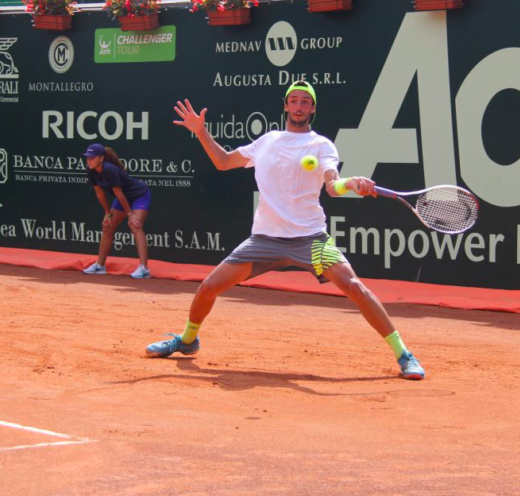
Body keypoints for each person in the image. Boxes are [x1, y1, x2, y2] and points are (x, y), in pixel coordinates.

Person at [145, 80, 425, 380]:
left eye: (305, 101)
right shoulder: (267, 141)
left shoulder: (320, 145)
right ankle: (188, 341)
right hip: (265, 239)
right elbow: (223, 161)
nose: (299, 106)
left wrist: (351, 183)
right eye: (294, 101)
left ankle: (404, 354)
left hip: (310, 239)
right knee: (208, 288)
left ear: (313, 108)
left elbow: (332, 186)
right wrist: (200, 131)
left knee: (355, 287)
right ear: (286, 105)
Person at [82, 143, 152, 279]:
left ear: (101, 158)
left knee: (135, 225)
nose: (89, 160)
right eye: (87, 158)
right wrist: (107, 213)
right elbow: (100, 193)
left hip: (139, 195)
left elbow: (119, 194)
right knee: (107, 226)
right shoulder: (90, 170)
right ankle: (100, 266)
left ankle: (144, 269)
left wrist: (130, 215)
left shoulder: (109, 170)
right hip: (123, 198)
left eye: (92, 157)